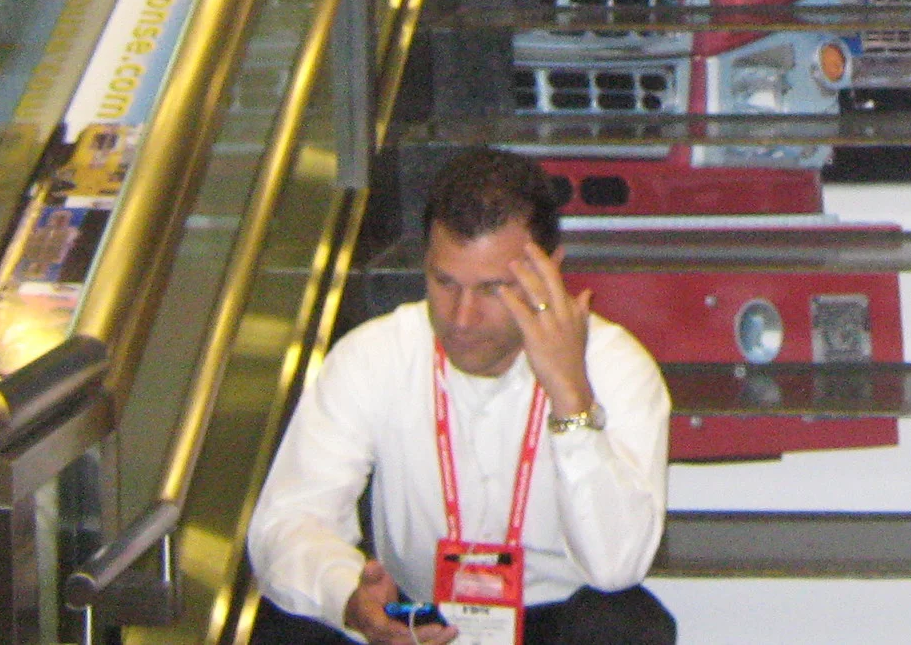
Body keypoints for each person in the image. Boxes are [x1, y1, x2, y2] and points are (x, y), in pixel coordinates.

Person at [247, 148, 675, 645]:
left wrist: (571, 401)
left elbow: (616, 566)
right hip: (417, 618)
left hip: (553, 619)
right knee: (281, 624)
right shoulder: (375, 354)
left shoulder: (616, 366)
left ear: (549, 271)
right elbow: (287, 522)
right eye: (444, 282)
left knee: (626, 626)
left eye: (493, 289)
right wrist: (349, 596)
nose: (462, 317)